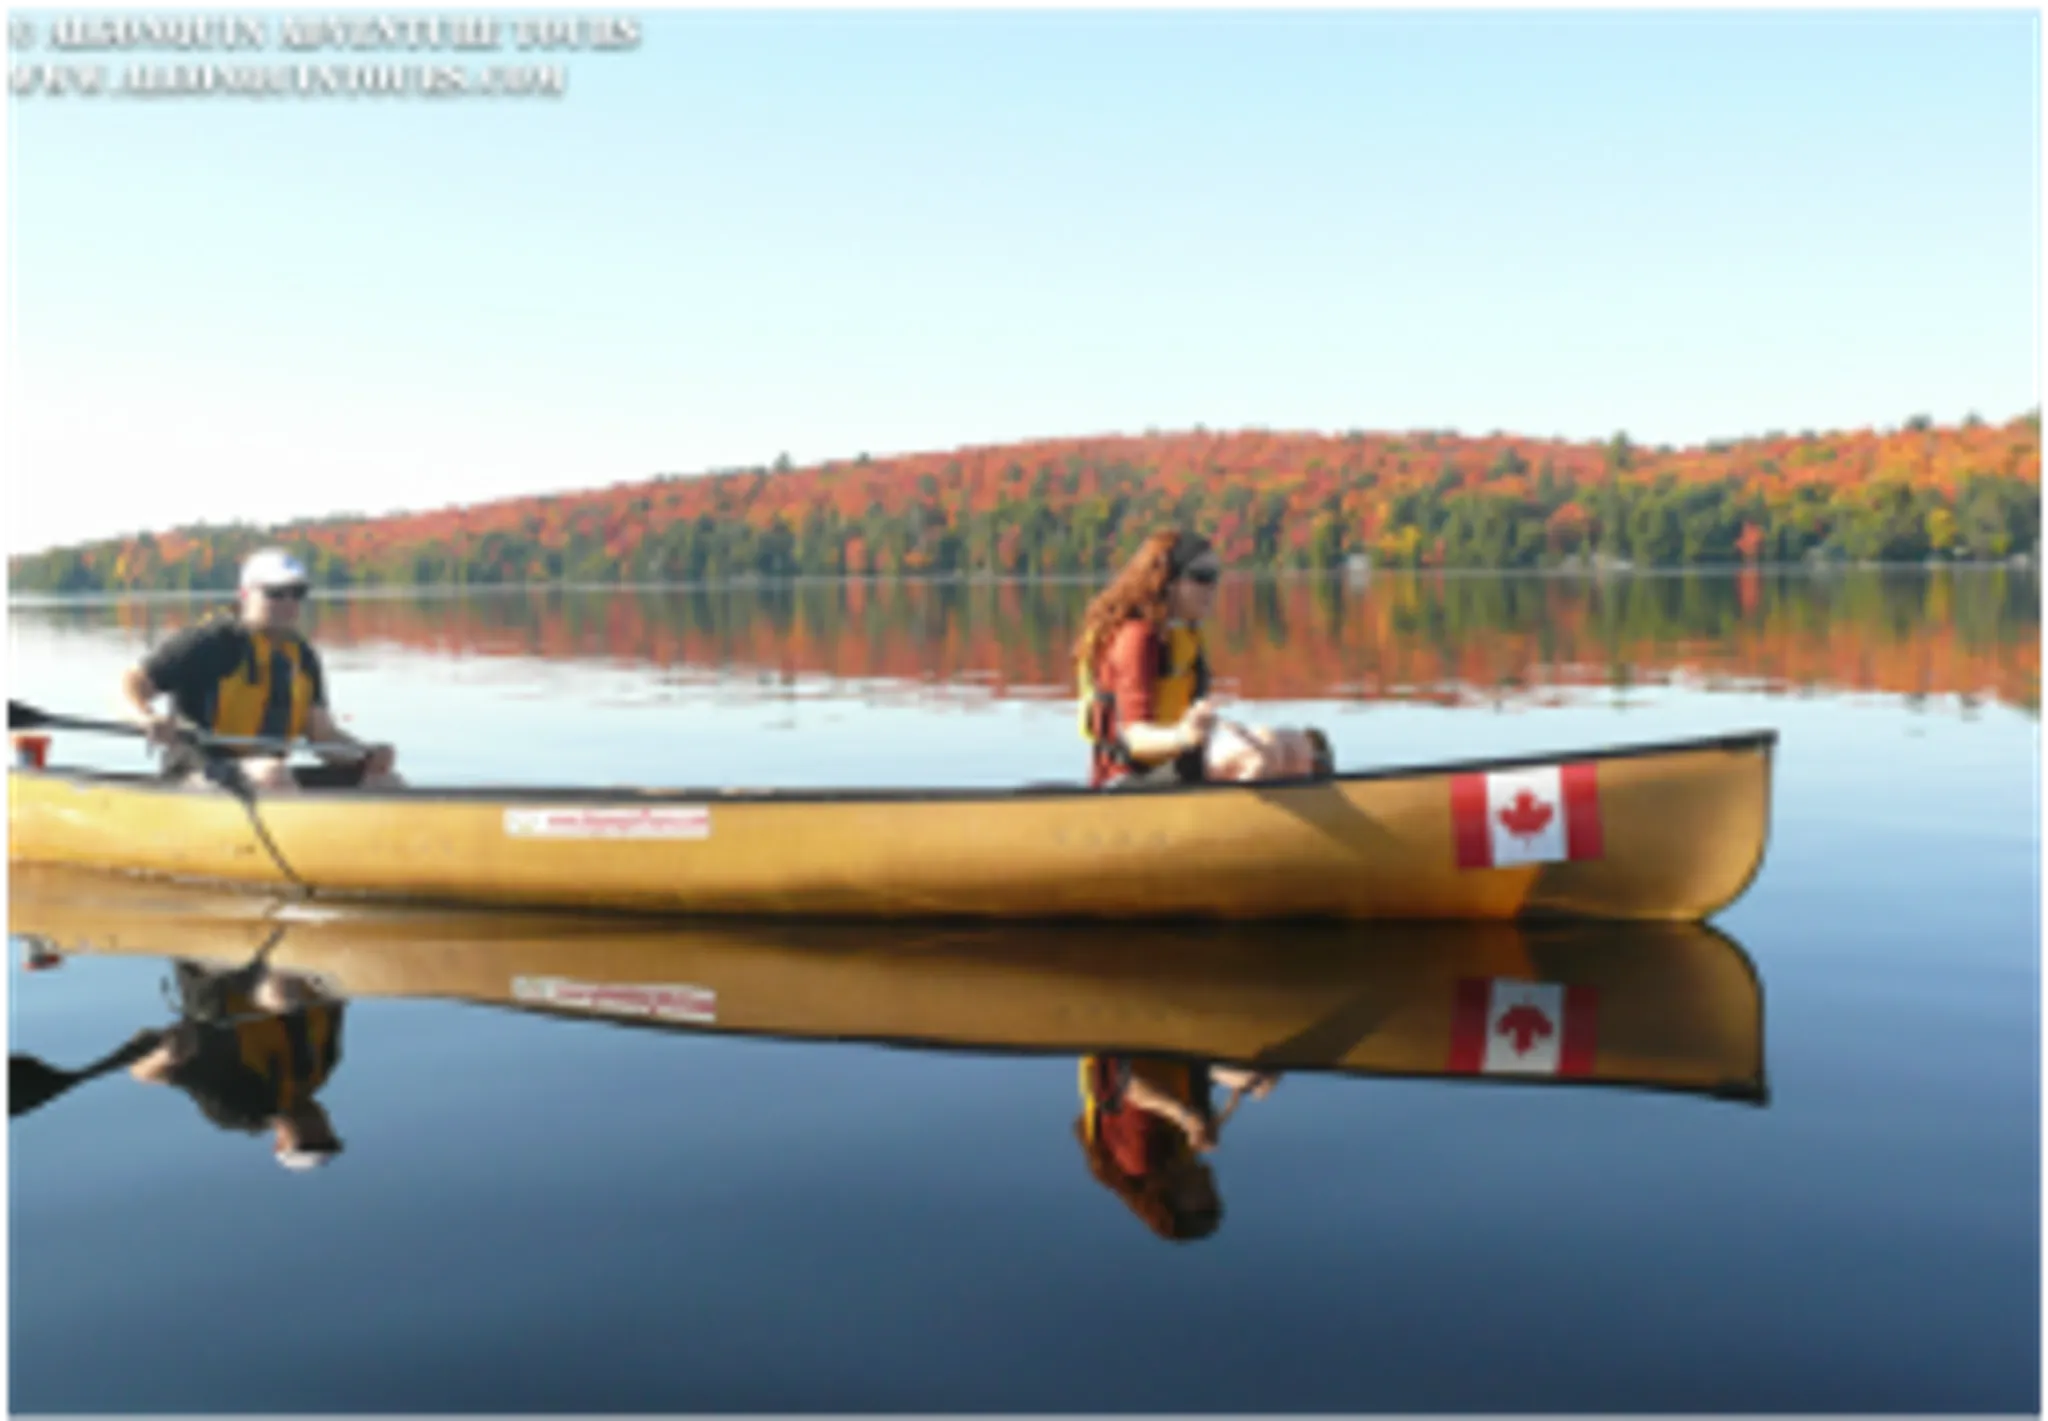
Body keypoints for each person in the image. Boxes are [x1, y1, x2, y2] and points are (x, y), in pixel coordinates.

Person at [119, 548, 400, 792]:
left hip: (266, 779)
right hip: (196, 776)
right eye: (275, 593)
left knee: (384, 780)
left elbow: (323, 736)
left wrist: (365, 754)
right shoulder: (208, 641)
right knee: (272, 774)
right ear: (245, 595)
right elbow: (132, 683)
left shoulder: (302, 657)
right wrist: (146, 717)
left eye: (297, 593)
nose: (289, 602)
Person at [1074, 530, 1333, 788]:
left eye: (1215, 578)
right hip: (1129, 777)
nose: (1212, 588)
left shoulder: (1185, 634)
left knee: (1294, 745)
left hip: (1179, 760)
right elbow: (1134, 738)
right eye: (1202, 577)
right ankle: (1237, 826)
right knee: (1251, 757)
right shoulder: (1135, 638)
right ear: (1169, 581)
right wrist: (1184, 736)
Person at [126, 952, 348, 1172]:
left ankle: (280, 949)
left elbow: (143, 1073)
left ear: (279, 1143)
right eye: (327, 1139)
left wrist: (165, 1055)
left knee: (280, 995)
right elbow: (336, 1005)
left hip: (219, 972)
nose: (317, 1132)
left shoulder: (239, 1108)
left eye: (307, 1143)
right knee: (299, 990)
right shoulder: (324, 1066)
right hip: (303, 966)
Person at [1073, 1054, 1279, 1243]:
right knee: (1258, 1077)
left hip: (1135, 1047)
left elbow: (1128, 1084)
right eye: (1213, 1200)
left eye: (1202, 1201)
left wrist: (1185, 1116)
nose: (1210, 1190)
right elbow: (1195, 1082)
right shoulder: (1178, 1158)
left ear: (1170, 1199)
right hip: (1174, 1055)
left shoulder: (1139, 1159)